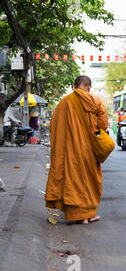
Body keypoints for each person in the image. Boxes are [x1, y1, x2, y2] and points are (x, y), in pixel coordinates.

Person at [45, 75, 108, 224]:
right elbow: (103, 124)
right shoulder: (94, 101)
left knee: (71, 181)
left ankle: (78, 216)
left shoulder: (63, 103)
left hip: (69, 153)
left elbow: (54, 127)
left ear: (74, 86)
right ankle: (88, 215)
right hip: (89, 152)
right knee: (89, 182)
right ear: (88, 87)